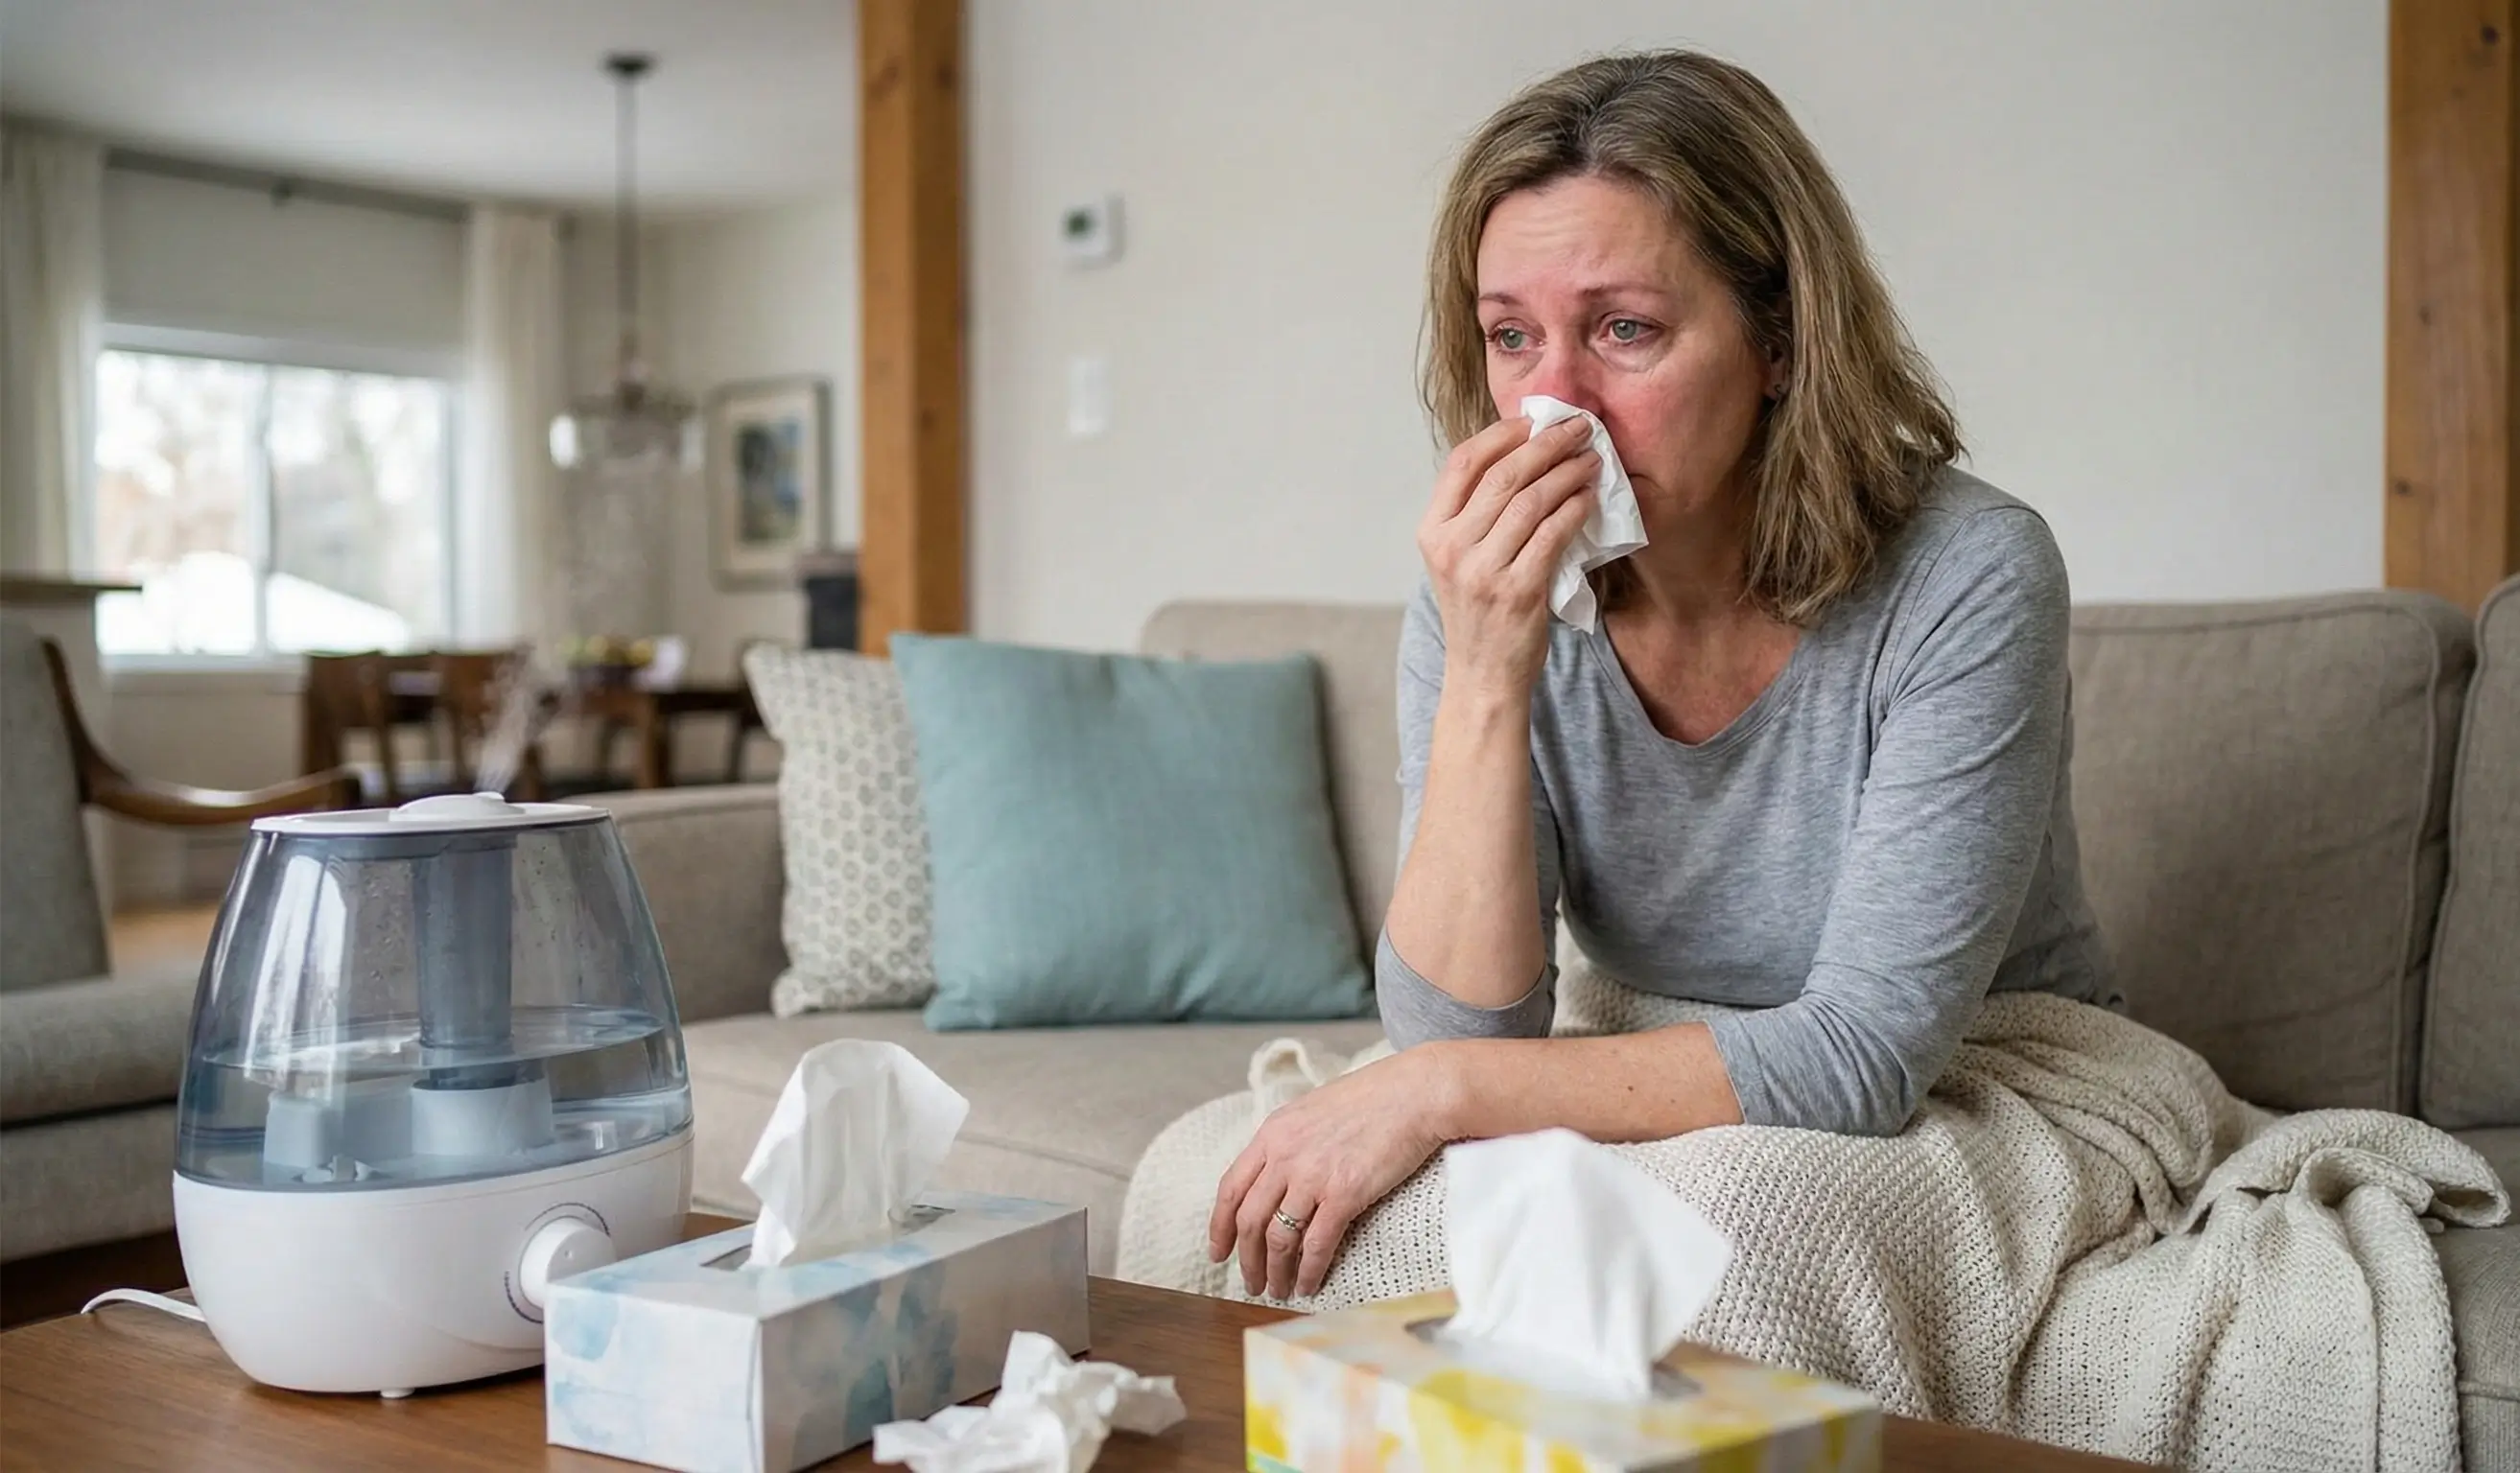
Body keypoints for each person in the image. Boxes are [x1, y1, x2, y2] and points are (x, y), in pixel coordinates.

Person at [1208, 50, 2114, 1302]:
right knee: (1288, 1200)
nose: (1550, 405)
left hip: (1982, 1074)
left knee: (1711, 1249)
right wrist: (1486, 671)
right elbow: (1460, 1035)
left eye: (1623, 330)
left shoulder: (1970, 571)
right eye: (1509, 338)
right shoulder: (1477, 590)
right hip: (1634, 1054)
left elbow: (1859, 1057)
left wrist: (1431, 1095)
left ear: (1779, 341)